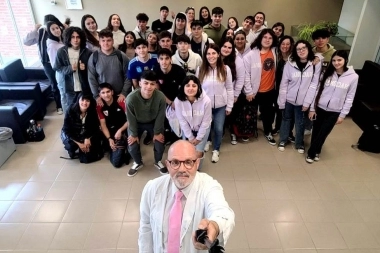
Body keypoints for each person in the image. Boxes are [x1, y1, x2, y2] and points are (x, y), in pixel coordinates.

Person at [138, 140, 235, 253]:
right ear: (168, 165)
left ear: (197, 163)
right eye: (175, 162)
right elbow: (146, 228)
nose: (182, 169)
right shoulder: (152, 188)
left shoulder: (209, 186)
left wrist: (215, 225)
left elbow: (223, 212)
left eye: (188, 162)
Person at [306, 50, 358, 163]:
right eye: (334, 60)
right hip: (320, 107)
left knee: (324, 133)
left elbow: (350, 97)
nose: (336, 63)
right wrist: (312, 108)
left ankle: (311, 153)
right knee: (316, 131)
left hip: (335, 111)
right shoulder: (326, 73)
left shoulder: (353, 77)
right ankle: (317, 151)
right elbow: (317, 91)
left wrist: (343, 115)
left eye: (339, 60)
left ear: (345, 60)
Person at [277, 40, 322, 153]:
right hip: (289, 99)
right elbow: (284, 83)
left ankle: (299, 143)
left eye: (304, 48)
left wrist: (307, 103)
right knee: (286, 120)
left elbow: (314, 85)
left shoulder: (315, 64)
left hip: (303, 102)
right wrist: (282, 101)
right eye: (298, 49)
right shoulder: (290, 63)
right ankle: (283, 140)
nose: (301, 51)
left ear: (308, 49)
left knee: (300, 123)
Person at [196, 44, 233, 163]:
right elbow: (198, 89)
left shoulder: (225, 69)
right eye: (208, 53)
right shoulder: (200, 69)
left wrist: (229, 105)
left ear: (218, 54)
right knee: (206, 127)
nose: (211, 56)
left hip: (221, 105)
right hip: (205, 106)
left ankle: (216, 149)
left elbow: (229, 88)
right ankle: (208, 141)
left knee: (218, 128)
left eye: (213, 53)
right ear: (205, 56)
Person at [23, 14, 66, 115]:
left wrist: (65, 28)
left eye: (56, 26)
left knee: (64, 83)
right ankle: (59, 105)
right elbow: (26, 42)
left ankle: (65, 102)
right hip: (47, 63)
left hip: (62, 63)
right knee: (54, 83)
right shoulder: (40, 33)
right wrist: (34, 30)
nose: (55, 29)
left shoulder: (60, 32)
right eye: (51, 27)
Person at [126, 70, 167, 177]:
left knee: (160, 142)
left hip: (153, 122)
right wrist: (134, 134)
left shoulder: (161, 97)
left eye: (152, 84)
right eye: (146, 83)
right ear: (140, 83)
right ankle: (138, 162)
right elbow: (131, 118)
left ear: (155, 85)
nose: (149, 87)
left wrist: (157, 132)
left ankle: (158, 161)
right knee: (132, 144)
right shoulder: (131, 98)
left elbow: (160, 116)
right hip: (137, 123)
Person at [243, 29, 278, 145]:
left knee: (267, 114)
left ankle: (268, 132)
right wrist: (248, 92)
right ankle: (250, 132)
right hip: (254, 91)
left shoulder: (275, 52)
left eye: (270, 38)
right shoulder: (251, 55)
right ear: (260, 39)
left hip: (269, 90)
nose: (267, 40)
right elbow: (246, 75)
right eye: (265, 37)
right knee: (251, 113)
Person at [174, 76, 212, 169]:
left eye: (194, 86)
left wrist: (199, 138)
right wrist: (190, 137)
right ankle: (188, 169)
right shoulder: (178, 101)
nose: (190, 88)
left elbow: (206, 121)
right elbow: (182, 121)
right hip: (187, 128)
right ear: (183, 87)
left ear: (198, 87)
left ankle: (197, 170)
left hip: (203, 128)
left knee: (198, 153)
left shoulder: (206, 101)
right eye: (187, 85)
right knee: (187, 151)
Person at [88, 29, 131, 106]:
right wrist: (97, 96)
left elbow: (128, 76)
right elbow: (91, 78)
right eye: (103, 40)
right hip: (102, 98)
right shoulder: (94, 57)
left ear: (113, 41)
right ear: (99, 42)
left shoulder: (121, 56)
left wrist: (124, 93)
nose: (106, 43)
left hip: (119, 96)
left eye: (108, 40)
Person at [55, 26, 92, 113]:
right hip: (69, 87)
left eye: (78, 37)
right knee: (71, 110)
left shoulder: (87, 52)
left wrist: (85, 68)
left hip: (84, 87)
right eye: (73, 37)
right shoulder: (61, 51)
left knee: (86, 110)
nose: (75, 40)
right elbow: (57, 67)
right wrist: (69, 68)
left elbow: (93, 70)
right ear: (68, 38)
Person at [155, 48, 187, 145]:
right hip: (163, 100)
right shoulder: (155, 71)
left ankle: (178, 137)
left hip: (179, 99)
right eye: (161, 59)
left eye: (166, 58)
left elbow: (184, 90)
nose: (164, 62)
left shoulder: (179, 71)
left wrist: (176, 103)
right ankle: (166, 134)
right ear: (158, 60)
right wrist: (169, 102)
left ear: (171, 60)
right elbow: (157, 90)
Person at [96, 83, 131, 168]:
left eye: (108, 92)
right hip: (110, 133)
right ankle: (115, 147)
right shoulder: (99, 106)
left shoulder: (121, 101)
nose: (106, 95)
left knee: (116, 163)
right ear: (99, 95)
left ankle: (126, 148)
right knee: (102, 150)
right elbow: (103, 125)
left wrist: (120, 131)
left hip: (123, 131)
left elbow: (130, 120)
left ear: (112, 92)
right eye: (103, 93)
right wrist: (109, 139)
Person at [61, 93, 102, 161]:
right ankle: (72, 150)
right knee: (71, 146)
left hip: (85, 133)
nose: (84, 103)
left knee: (87, 158)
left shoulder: (92, 110)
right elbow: (67, 129)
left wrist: (87, 138)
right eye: (82, 100)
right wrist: (79, 143)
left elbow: (95, 127)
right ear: (78, 100)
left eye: (87, 101)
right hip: (72, 133)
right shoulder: (71, 110)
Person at [220, 38, 245, 144]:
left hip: (231, 92)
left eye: (229, 47)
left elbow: (240, 79)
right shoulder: (215, 57)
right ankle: (219, 132)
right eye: (224, 46)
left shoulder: (237, 60)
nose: (226, 49)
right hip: (218, 93)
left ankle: (232, 132)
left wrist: (235, 95)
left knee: (231, 114)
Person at [273, 35, 295, 139]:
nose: (285, 46)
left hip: (290, 90)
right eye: (283, 44)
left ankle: (289, 132)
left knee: (289, 112)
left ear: (291, 46)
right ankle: (277, 127)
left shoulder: (294, 59)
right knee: (278, 109)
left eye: (287, 44)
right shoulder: (277, 56)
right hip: (277, 88)